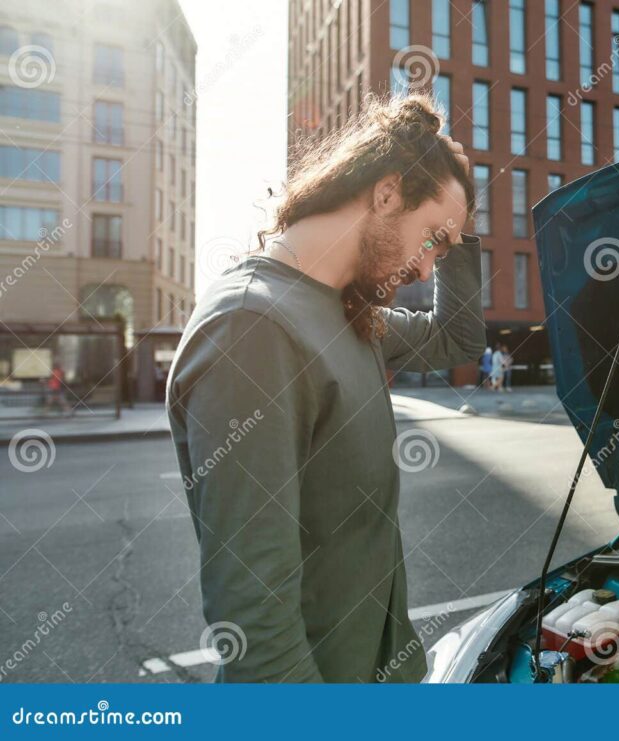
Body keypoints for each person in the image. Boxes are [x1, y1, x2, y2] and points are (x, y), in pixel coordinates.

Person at [166, 95, 484, 683]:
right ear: (387, 192)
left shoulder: (352, 311)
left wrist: (459, 222)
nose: (424, 270)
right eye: (432, 240)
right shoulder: (253, 327)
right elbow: (256, 619)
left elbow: (458, 340)